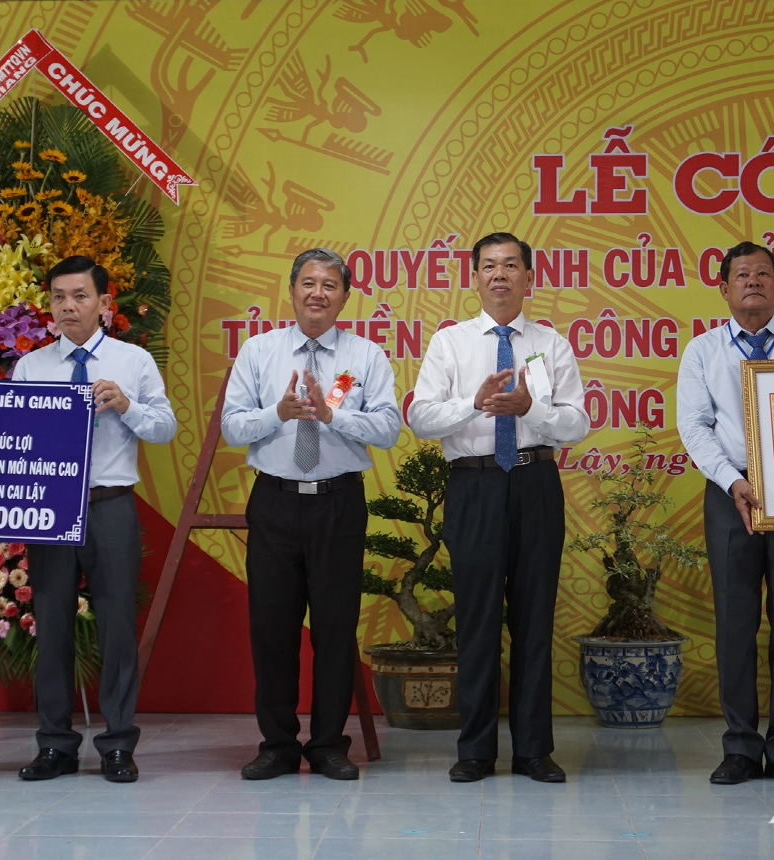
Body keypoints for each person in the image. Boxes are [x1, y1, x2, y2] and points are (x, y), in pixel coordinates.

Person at [410, 232, 586, 783]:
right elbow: (419, 417)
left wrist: (533, 410)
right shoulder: (451, 344)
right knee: (479, 619)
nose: (500, 275)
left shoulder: (552, 345)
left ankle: (534, 750)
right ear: (475, 277)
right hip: (475, 487)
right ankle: (476, 751)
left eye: (511, 265)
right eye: (489, 266)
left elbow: (578, 423)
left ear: (529, 278)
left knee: (535, 619)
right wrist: (475, 402)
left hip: (536, 486)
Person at [221, 248, 401, 780]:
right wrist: (277, 412)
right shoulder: (259, 352)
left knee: (335, 627)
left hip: (338, 503)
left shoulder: (366, 356)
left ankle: (327, 743)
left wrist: (332, 414)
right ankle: (277, 743)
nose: (317, 292)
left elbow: (389, 428)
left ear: (345, 296)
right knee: (271, 627)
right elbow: (233, 428)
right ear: (292, 289)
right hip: (275, 501)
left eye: (329, 284)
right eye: (307, 282)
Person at [13, 256, 177, 783]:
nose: (68, 306)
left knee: (115, 629)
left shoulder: (133, 361)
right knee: (53, 626)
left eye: (80, 296)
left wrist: (127, 405)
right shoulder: (32, 367)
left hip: (110, 505)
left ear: (105, 304)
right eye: (59, 296)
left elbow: (165, 428)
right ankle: (55, 745)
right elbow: (10, 441)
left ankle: (117, 745)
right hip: (49, 510)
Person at [676, 240, 774, 786]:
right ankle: (741, 746)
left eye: (764, 274)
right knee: (735, 623)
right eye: (742, 275)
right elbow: (695, 427)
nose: (753, 283)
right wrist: (734, 480)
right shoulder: (702, 351)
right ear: (723, 288)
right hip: (730, 493)